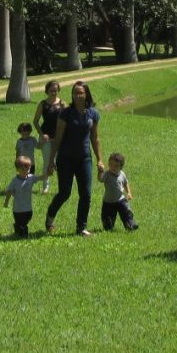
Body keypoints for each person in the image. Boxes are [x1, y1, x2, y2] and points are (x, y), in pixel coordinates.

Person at [45, 80, 103, 237]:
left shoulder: (93, 113)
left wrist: (99, 160)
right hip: (66, 158)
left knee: (86, 194)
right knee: (65, 193)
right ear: (72, 94)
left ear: (86, 94)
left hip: (84, 158)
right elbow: (58, 138)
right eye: (75, 93)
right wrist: (51, 161)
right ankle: (50, 217)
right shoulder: (65, 113)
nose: (78, 95)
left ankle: (81, 227)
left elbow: (95, 138)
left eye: (81, 92)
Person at [32, 80, 63, 193]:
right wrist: (42, 134)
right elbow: (35, 121)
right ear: (47, 91)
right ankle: (46, 187)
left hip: (59, 137)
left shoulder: (62, 103)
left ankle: (62, 187)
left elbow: (68, 120)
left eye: (55, 90)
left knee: (60, 162)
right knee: (47, 161)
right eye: (51, 90)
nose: (54, 93)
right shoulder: (43, 104)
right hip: (46, 137)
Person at [99, 152, 137, 232]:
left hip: (120, 199)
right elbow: (101, 179)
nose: (112, 167)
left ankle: (130, 224)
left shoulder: (122, 174)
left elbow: (125, 183)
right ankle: (108, 226)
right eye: (111, 165)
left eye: (116, 166)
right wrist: (100, 172)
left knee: (126, 212)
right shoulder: (107, 174)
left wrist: (129, 193)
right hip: (108, 201)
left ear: (121, 167)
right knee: (108, 217)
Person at [3, 155, 37, 238]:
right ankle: (23, 234)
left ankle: (18, 230)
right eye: (23, 168)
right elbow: (9, 191)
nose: (26, 171)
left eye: (28, 168)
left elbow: (40, 178)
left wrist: (47, 174)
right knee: (21, 223)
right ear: (17, 169)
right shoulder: (15, 181)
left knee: (26, 219)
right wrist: (6, 201)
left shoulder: (30, 178)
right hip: (18, 209)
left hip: (28, 208)